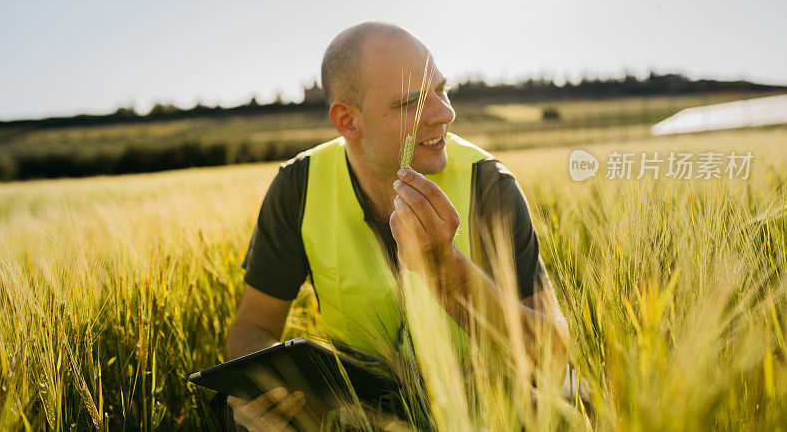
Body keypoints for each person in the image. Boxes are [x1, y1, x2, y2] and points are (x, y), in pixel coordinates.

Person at [224, 22, 569, 431]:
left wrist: (449, 273)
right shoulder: (298, 185)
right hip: (358, 414)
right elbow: (253, 328)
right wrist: (271, 390)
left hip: (480, 408)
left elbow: (551, 357)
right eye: (412, 102)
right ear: (348, 121)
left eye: (442, 89)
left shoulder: (488, 183)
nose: (446, 113)